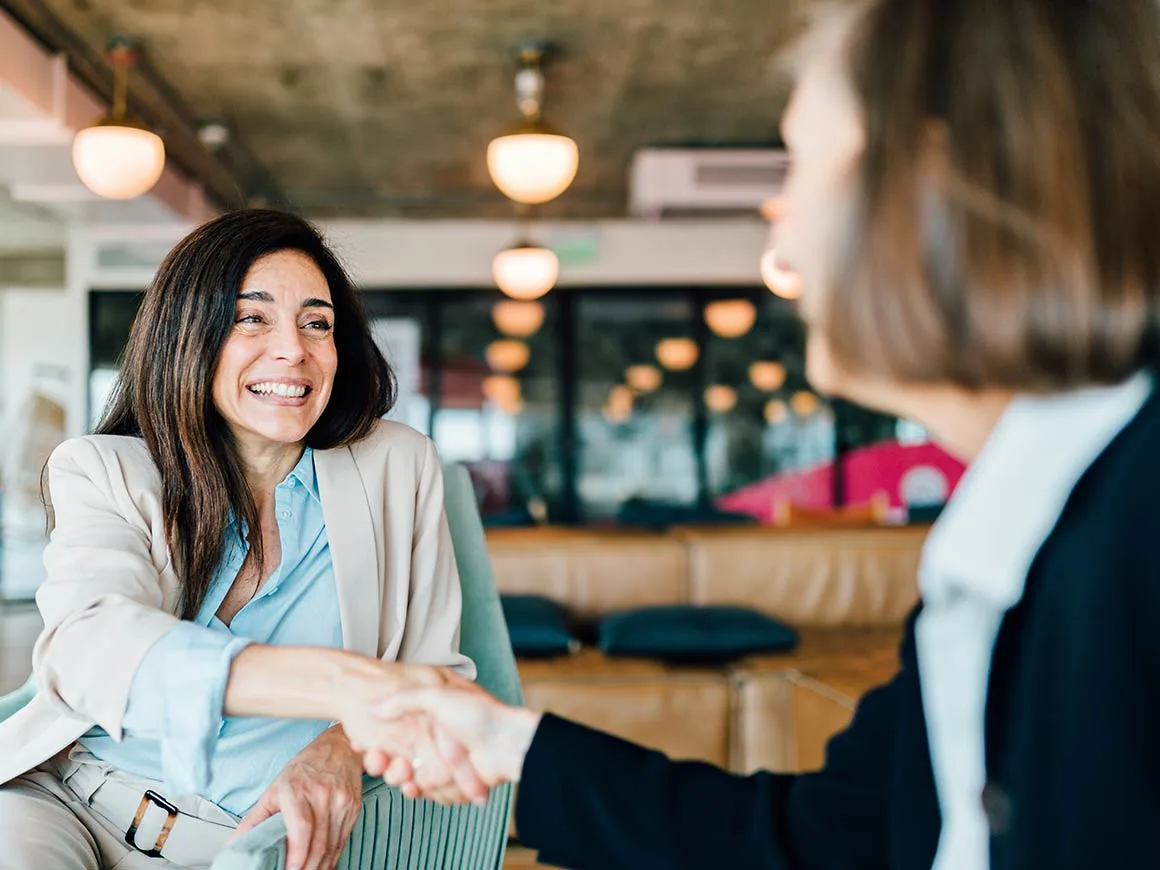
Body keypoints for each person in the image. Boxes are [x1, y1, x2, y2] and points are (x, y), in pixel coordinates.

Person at [359, 1, 1160, 868]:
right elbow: (814, 845)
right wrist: (505, 748)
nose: (778, 232)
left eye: (801, 168)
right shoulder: (1002, 544)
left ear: (936, 186)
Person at [0, 209, 486, 870]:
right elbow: (90, 646)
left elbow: (440, 676)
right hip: (67, 807)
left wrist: (345, 740)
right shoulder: (103, 467)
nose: (293, 348)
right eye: (251, 318)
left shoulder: (398, 467)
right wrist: (344, 687)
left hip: (245, 848)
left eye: (317, 322)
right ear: (186, 336)